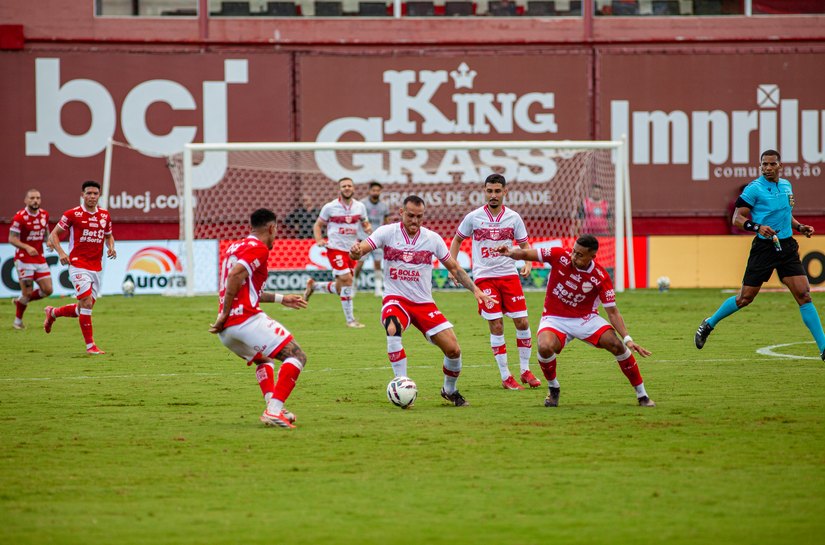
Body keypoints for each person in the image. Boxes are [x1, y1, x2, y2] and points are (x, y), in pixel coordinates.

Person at [349, 195, 496, 407]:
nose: (415, 221)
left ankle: (449, 390)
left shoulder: (432, 239)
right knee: (393, 327)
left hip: (424, 303)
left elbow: (454, 268)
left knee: (453, 350)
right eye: (410, 216)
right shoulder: (386, 232)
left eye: (419, 216)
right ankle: (401, 385)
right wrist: (355, 252)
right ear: (401, 213)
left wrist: (475, 290)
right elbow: (361, 249)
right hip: (396, 299)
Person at [497, 234, 656, 407]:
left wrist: (627, 339)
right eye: (574, 251)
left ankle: (642, 395)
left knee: (617, 345)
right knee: (544, 346)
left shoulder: (600, 277)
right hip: (555, 318)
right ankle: (553, 388)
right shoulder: (559, 255)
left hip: (585, 319)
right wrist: (510, 252)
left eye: (580, 255)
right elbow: (527, 254)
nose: (573, 257)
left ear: (592, 256)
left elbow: (612, 312)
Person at [695, 150, 825, 360]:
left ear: (780, 166)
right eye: (764, 164)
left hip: (787, 246)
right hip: (764, 248)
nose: (767, 168)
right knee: (745, 298)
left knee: (804, 295)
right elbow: (737, 218)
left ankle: (823, 348)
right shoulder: (754, 188)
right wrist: (757, 227)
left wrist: (799, 227)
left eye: (771, 164)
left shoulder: (786, 185)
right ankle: (709, 323)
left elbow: (785, 214)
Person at [209, 208, 309, 429]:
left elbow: (246, 287)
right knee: (297, 356)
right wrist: (225, 313)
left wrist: (282, 298)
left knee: (264, 360)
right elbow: (235, 275)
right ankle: (273, 411)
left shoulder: (236, 247)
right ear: (271, 228)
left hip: (227, 331)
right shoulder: (259, 248)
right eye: (276, 230)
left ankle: (274, 405)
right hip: (245, 320)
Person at [449, 173, 542, 390]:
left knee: (522, 322)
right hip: (484, 277)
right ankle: (506, 376)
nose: (493, 195)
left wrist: (528, 263)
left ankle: (525, 370)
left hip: (509, 275)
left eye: (497, 191)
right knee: (496, 324)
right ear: (484, 191)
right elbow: (457, 240)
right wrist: (453, 267)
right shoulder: (473, 217)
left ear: (505, 192)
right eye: (489, 191)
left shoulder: (514, 217)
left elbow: (524, 245)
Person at [43, 181, 116, 354]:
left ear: (99, 195)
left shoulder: (105, 215)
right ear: (82, 195)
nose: (92, 196)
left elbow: (109, 236)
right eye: (89, 193)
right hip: (77, 264)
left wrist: (111, 247)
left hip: (96, 267)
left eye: (95, 193)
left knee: (81, 308)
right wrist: (61, 253)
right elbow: (53, 235)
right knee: (86, 303)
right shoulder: (72, 214)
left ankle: (53, 313)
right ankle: (91, 346)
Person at [304, 177, 372, 328]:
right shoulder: (330, 207)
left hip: (352, 250)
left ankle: (314, 286)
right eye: (344, 186)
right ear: (340, 189)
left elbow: (365, 222)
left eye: (349, 186)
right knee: (348, 280)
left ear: (353, 188)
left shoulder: (360, 207)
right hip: (335, 248)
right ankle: (350, 321)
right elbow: (318, 225)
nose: (347, 188)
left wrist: (367, 227)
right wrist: (319, 240)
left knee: (341, 288)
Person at [9, 189, 53, 329]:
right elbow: (12, 238)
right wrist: (27, 247)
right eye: (32, 198)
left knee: (48, 290)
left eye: (38, 198)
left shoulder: (44, 215)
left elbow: (46, 234)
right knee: (27, 293)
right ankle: (18, 322)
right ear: (26, 200)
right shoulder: (19, 217)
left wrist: (49, 241)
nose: (35, 200)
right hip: (24, 259)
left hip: (39, 258)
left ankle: (20, 301)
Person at [354, 182, 391, 297]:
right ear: (369, 191)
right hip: (363, 238)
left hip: (378, 238)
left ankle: (378, 289)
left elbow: (386, 221)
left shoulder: (384, 206)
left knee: (378, 263)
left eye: (378, 190)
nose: (375, 192)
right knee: (359, 264)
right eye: (373, 190)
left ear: (380, 192)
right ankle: (353, 286)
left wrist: (386, 235)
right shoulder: (362, 204)